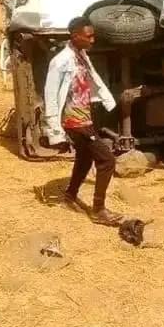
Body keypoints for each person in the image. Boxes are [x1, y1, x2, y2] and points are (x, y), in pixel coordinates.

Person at [44, 16, 121, 226]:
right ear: (75, 36)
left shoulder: (81, 55)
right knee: (107, 160)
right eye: (89, 36)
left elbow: (92, 79)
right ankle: (98, 210)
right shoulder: (60, 62)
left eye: (93, 35)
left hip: (84, 117)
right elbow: (51, 96)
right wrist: (55, 130)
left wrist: (106, 100)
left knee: (85, 158)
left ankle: (70, 195)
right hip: (74, 122)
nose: (93, 40)